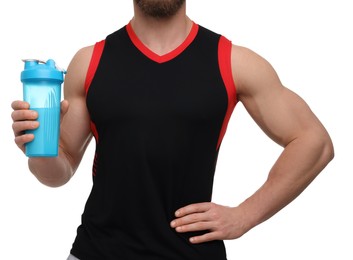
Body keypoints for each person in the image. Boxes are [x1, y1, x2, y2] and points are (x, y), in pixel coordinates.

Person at [11, 1, 334, 259]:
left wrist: (246, 215)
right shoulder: (89, 60)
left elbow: (313, 141)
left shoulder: (234, 61)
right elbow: (57, 173)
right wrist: (37, 145)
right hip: (97, 251)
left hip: (192, 253)